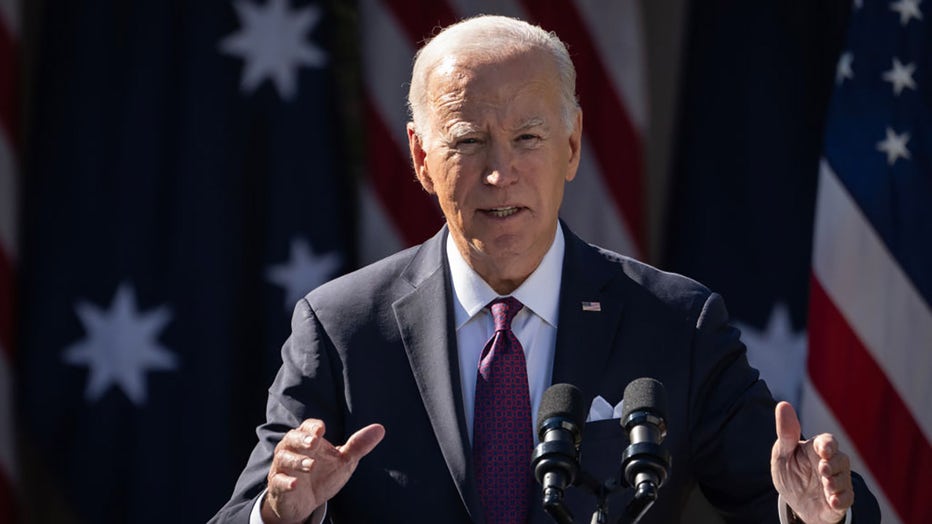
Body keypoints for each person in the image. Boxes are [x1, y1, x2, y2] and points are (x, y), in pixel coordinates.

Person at [211, 15, 879, 524]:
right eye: (469, 142)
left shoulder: (676, 323)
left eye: (528, 138)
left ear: (572, 145)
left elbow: (800, 500)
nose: (501, 174)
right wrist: (278, 513)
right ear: (419, 155)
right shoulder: (341, 328)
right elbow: (247, 511)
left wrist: (821, 514)